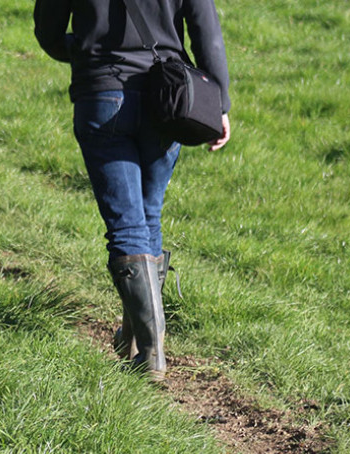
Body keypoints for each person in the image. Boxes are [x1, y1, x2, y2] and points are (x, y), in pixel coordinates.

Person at [34, 0, 231, 380]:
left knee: (127, 226)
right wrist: (219, 102)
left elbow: (48, 31)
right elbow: (207, 31)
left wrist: (81, 50)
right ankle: (136, 340)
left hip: (101, 93)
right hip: (168, 97)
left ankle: (151, 353)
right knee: (147, 215)